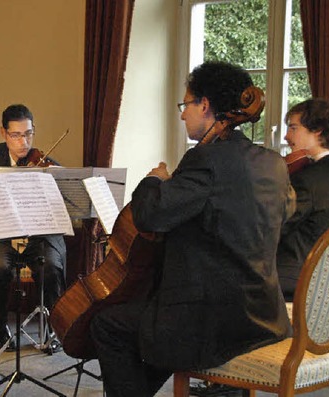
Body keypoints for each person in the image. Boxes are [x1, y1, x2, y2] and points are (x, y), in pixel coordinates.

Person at [89, 62, 293, 396]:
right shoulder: (273, 163)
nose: (183, 115)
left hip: (216, 323)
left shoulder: (205, 160)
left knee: (109, 325)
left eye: (186, 105)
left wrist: (155, 179)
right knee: (150, 321)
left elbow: (150, 216)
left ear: (206, 106)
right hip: (263, 315)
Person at [0, 104, 66, 352]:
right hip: (3, 235)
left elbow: (63, 204)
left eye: (29, 134)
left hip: (39, 235)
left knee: (52, 266)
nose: (24, 142)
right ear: (3, 133)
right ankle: (1, 330)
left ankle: (52, 330)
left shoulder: (44, 163)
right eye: (16, 135)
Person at [277, 98, 329, 300]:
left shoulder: (308, 178)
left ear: (318, 130)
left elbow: (277, 225)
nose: (287, 136)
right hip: (323, 276)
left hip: (293, 276)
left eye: (293, 128)